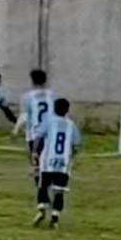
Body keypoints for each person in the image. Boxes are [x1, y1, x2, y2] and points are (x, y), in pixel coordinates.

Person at [32, 97, 82, 229]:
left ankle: (42, 210)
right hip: (63, 163)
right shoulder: (72, 125)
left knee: (43, 186)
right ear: (67, 110)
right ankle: (55, 218)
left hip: (47, 161)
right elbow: (76, 145)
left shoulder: (49, 122)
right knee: (59, 191)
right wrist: (72, 157)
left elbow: (38, 137)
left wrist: (34, 152)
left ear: (54, 109)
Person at [14, 69, 55, 185]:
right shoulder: (52, 95)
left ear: (32, 81)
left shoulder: (28, 97)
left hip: (34, 134)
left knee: (35, 162)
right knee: (47, 160)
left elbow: (25, 115)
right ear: (45, 81)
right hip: (50, 133)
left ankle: (41, 190)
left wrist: (16, 129)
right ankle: (48, 184)